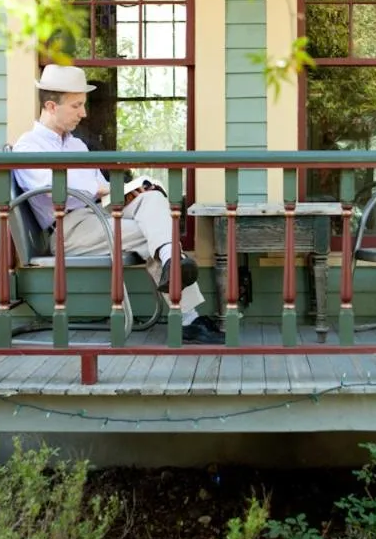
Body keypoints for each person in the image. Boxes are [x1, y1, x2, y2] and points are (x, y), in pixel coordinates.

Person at [13, 64, 222, 344]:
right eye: (76, 106)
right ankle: (188, 316)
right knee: (155, 234)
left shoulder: (76, 146)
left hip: (97, 214)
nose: (84, 113)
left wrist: (129, 191)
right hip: (68, 230)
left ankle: (173, 265)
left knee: (151, 200)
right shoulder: (28, 147)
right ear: (51, 106)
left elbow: (100, 191)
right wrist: (101, 189)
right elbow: (53, 191)